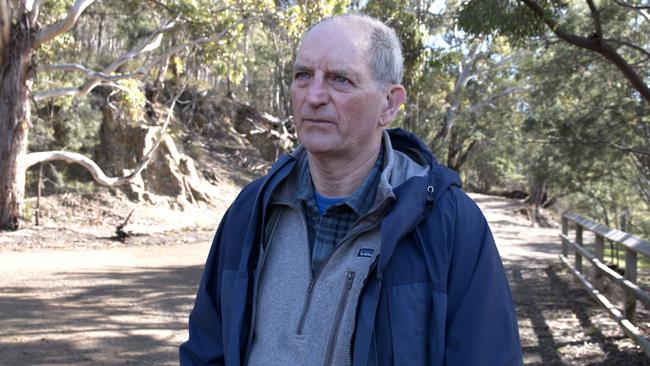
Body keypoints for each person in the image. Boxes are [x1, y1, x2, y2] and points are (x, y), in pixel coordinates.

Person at [180, 14, 522, 366]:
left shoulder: (448, 224)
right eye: (303, 76)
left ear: (389, 104)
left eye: (339, 80)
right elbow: (208, 345)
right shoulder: (254, 208)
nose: (313, 96)